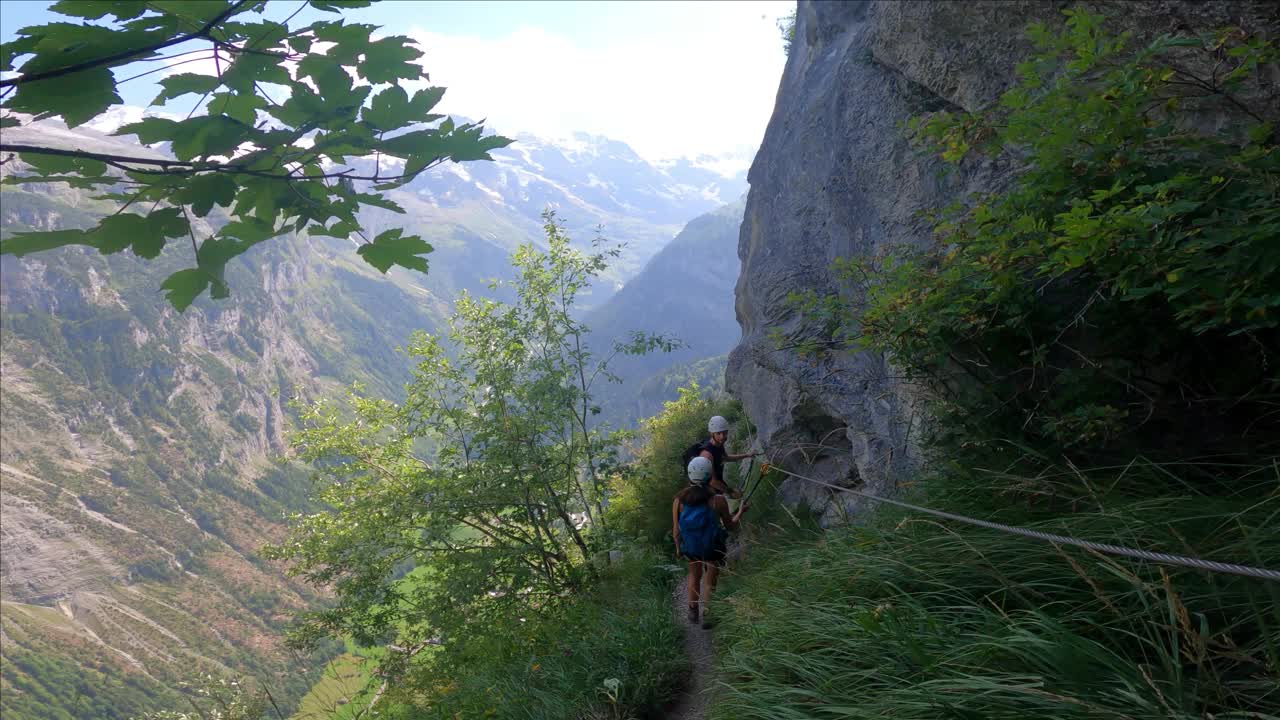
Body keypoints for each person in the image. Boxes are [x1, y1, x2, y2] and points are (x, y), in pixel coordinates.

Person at [673, 455, 748, 629]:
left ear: (690, 474)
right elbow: (730, 526)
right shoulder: (717, 500)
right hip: (711, 547)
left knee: (693, 574)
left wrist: (678, 548)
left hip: (690, 546)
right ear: (709, 475)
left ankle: (692, 610)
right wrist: (741, 512)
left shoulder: (679, 500)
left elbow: (676, 529)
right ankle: (707, 615)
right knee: (709, 577)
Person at [698, 415, 761, 498]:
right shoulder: (707, 454)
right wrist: (731, 492)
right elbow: (712, 482)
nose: (722, 436)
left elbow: (726, 458)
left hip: (717, 486)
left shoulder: (719, 444)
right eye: (718, 433)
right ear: (711, 433)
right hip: (708, 492)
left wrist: (747, 455)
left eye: (725, 432)